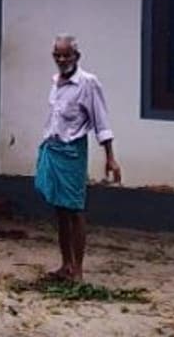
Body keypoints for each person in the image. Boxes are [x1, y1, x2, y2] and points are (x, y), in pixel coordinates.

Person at [34, 34, 121, 283]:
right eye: (57, 55)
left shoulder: (87, 83)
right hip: (54, 149)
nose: (62, 60)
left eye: (66, 55)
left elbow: (101, 122)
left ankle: (79, 269)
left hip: (73, 152)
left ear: (77, 56)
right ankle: (65, 264)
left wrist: (110, 157)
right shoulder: (56, 82)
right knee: (59, 210)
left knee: (75, 210)